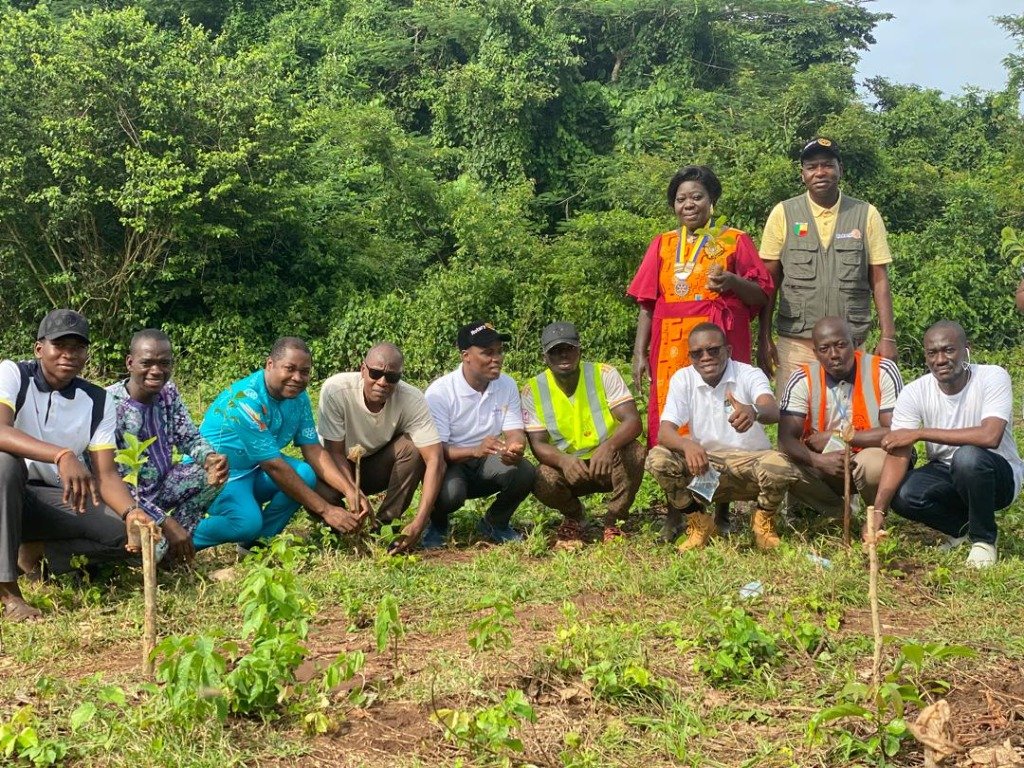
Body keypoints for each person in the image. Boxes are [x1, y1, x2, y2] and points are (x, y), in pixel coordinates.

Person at [0, 310, 156, 621]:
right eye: (60, 346)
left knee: (127, 537)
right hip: (8, 489)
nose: (68, 355)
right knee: (5, 464)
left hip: (51, 499)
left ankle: (38, 553)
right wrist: (61, 454)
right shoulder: (13, 374)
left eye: (78, 348)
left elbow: (107, 475)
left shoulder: (96, 400)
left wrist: (132, 512)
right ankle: (8, 591)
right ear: (39, 348)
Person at [629, 165, 772, 446]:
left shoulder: (734, 239)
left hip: (719, 337)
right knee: (674, 406)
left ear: (712, 201)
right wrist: (639, 353)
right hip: (670, 343)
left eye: (697, 197)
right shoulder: (662, 243)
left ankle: (731, 472)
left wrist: (732, 281)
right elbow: (647, 305)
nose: (688, 205)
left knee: (725, 403)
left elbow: (761, 295)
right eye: (681, 200)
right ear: (673, 206)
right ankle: (679, 477)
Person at [866, 322, 1024, 568]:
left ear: (966, 350)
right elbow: (899, 452)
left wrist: (920, 433)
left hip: (996, 474)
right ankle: (963, 530)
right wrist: (879, 511)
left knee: (967, 458)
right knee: (904, 494)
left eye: (949, 350)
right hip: (947, 470)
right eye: (932, 353)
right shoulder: (915, 391)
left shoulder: (992, 376)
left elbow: (989, 436)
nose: (940, 359)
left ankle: (984, 540)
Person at [192, 337, 364, 550]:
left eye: (304, 372)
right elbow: (273, 466)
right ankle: (177, 538)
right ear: (269, 364)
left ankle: (255, 545)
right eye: (290, 368)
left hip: (252, 468)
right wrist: (326, 510)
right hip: (219, 475)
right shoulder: (245, 400)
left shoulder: (298, 398)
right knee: (246, 522)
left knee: (305, 473)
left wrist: (350, 490)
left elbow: (313, 449)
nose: (297, 378)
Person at [758, 137, 897, 393]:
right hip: (797, 345)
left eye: (827, 165)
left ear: (840, 169)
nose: (820, 172)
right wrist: (764, 337)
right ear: (803, 175)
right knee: (794, 422)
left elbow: (879, 279)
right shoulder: (783, 213)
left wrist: (888, 337)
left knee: (854, 424)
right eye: (811, 167)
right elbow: (768, 283)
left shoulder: (865, 214)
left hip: (849, 346)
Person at [645, 322, 797, 552]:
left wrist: (753, 411)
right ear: (690, 357)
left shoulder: (749, 374)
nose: (705, 357)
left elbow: (772, 410)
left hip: (749, 464)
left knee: (779, 465)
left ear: (729, 350)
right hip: (706, 465)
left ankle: (762, 524)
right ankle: (698, 522)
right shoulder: (683, 379)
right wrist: (686, 445)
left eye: (713, 350)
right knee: (658, 459)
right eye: (697, 353)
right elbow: (664, 432)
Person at [107, 329, 229, 563]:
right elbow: (112, 481)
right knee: (154, 547)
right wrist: (166, 521)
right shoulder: (110, 406)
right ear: (130, 363)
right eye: (147, 363)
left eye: (164, 363)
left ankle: (179, 549)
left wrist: (210, 458)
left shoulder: (168, 392)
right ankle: (165, 547)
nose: (156, 371)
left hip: (162, 486)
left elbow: (189, 438)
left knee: (211, 475)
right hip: (127, 501)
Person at [522, 322, 646, 543]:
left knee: (636, 453)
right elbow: (538, 444)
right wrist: (563, 461)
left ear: (579, 349)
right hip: (569, 468)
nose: (563, 354)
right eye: (555, 351)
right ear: (545, 357)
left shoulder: (604, 374)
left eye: (568, 348)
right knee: (541, 477)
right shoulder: (533, 389)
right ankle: (575, 518)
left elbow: (633, 422)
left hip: (608, 462)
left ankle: (614, 520)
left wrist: (608, 447)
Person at [317, 343, 445, 554]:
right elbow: (334, 453)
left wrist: (420, 522)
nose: (382, 382)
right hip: (338, 469)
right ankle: (340, 526)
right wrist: (353, 491)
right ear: (363, 369)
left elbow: (435, 460)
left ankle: (385, 527)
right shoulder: (336, 390)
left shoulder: (411, 399)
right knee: (311, 481)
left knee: (413, 448)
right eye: (376, 373)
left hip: (376, 465)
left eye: (392, 377)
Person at [423, 322, 536, 548]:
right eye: (488, 352)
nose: (497, 358)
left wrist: (515, 447)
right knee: (450, 493)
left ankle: (496, 523)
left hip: (487, 461)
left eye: (500, 352)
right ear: (466, 356)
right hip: (451, 463)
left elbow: (514, 431)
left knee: (524, 472)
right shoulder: (440, 392)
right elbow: (435, 451)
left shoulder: (506, 385)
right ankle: (437, 524)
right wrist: (474, 450)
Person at [778, 317, 903, 516]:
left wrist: (841, 436)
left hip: (868, 456)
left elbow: (897, 433)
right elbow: (785, 440)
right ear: (815, 354)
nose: (834, 355)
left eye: (841, 345)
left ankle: (876, 516)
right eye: (825, 349)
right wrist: (818, 461)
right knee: (780, 465)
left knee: (875, 465)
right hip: (823, 464)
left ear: (854, 343)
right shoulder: (802, 379)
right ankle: (837, 513)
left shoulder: (882, 370)